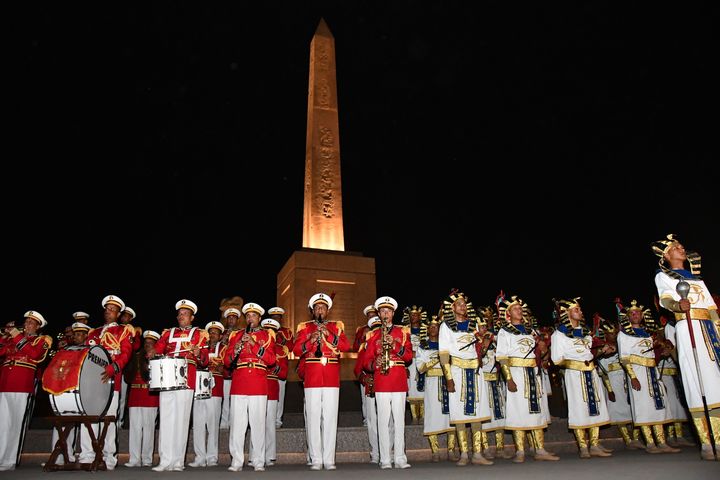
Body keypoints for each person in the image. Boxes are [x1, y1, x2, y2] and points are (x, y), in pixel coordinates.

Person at [652, 234, 720, 461]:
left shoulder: (697, 279)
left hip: (709, 332)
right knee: (696, 382)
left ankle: (719, 438)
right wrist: (677, 305)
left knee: (714, 383)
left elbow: (711, 308)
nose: (681, 248)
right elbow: (665, 300)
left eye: (681, 246)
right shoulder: (663, 276)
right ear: (666, 256)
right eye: (675, 247)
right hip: (687, 326)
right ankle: (706, 443)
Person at [495, 296, 558, 463]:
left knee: (536, 410)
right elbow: (501, 357)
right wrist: (508, 378)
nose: (519, 310)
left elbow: (539, 354)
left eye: (520, 308)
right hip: (516, 373)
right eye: (515, 308)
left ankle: (540, 449)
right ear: (508, 313)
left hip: (532, 373)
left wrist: (542, 349)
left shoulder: (531, 331)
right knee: (518, 411)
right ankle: (520, 451)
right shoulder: (504, 331)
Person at [293, 292, 350, 470]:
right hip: (312, 377)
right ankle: (316, 459)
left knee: (330, 418)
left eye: (323, 308)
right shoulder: (305, 327)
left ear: (328, 311)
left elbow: (346, 346)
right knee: (313, 418)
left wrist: (329, 335)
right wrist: (310, 340)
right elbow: (296, 350)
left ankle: (329, 459)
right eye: (317, 308)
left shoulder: (336, 326)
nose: (320, 310)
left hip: (331, 376)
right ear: (312, 311)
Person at [550, 297, 612, 458]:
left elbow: (589, 354)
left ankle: (595, 444)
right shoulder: (559, 334)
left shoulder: (586, 333)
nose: (581, 311)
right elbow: (556, 359)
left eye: (580, 309)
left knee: (595, 406)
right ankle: (583, 447)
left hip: (591, 373)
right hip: (574, 375)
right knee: (579, 407)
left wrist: (601, 351)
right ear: (567, 312)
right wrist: (577, 363)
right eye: (577, 309)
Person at [151, 299, 209, 472]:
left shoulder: (200, 334)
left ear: (192, 317)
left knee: (182, 420)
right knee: (166, 419)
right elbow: (158, 348)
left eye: (184, 314)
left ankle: (177, 461)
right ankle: (164, 460)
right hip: (167, 376)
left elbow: (204, 359)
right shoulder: (168, 333)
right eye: (179, 314)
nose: (181, 316)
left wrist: (199, 352)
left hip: (186, 377)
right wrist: (153, 352)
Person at [78, 295, 134, 470]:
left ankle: (109, 457)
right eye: (107, 309)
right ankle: (87, 455)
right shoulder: (93, 333)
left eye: (113, 310)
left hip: (111, 381)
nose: (109, 312)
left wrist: (114, 367)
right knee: (89, 418)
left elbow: (126, 354)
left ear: (118, 313)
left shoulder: (123, 331)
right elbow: (85, 355)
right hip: (91, 383)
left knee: (109, 420)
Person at [617, 300, 680, 454]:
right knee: (643, 407)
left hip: (653, 373)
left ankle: (662, 442)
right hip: (638, 373)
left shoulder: (648, 333)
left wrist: (661, 356)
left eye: (638, 312)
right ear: (628, 317)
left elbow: (651, 355)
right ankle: (650, 443)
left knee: (658, 406)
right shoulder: (623, 334)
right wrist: (633, 377)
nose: (635, 315)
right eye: (632, 313)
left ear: (643, 315)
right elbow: (624, 358)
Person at [438, 290, 493, 466]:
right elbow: (444, 354)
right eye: (459, 304)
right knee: (459, 412)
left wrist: (484, 346)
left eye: (464, 304)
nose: (463, 306)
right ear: (452, 308)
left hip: (475, 372)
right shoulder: (446, 326)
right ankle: (463, 454)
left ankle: (477, 453)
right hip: (456, 372)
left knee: (477, 412)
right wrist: (448, 378)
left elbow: (479, 353)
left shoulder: (474, 325)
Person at [223, 302, 275, 472]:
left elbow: (271, 359)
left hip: (258, 383)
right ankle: (236, 461)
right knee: (237, 424)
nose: (250, 318)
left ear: (259, 318)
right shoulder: (236, 336)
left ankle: (259, 461)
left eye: (254, 315)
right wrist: (236, 349)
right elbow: (227, 361)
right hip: (239, 383)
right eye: (248, 316)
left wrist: (254, 344)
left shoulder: (267, 335)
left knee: (258, 424)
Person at [363, 296, 413, 469]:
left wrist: (395, 346)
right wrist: (373, 364)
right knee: (382, 420)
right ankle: (384, 458)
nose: (385, 314)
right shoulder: (372, 334)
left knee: (399, 420)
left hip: (398, 378)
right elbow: (365, 361)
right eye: (382, 311)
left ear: (393, 313)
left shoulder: (403, 332)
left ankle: (400, 457)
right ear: (379, 314)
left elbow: (408, 357)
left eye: (388, 311)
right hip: (381, 378)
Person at [0, 311, 52, 471]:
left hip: (21, 385)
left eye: (31, 322)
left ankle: (8, 460)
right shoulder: (15, 338)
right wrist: (4, 336)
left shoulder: (42, 340)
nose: (27, 324)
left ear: (38, 326)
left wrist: (15, 335)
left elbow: (35, 354)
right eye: (26, 321)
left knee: (14, 424)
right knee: (2, 423)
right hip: (4, 383)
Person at [593, 316, 643, 449]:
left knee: (634, 410)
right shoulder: (603, 349)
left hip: (626, 380)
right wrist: (609, 389)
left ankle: (636, 438)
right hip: (613, 382)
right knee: (620, 412)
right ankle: (628, 440)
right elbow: (603, 372)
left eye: (615, 333)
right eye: (611, 333)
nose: (613, 336)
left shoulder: (622, 345)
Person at [49, 320, 90, 465]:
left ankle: (72, 455)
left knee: (79, 424)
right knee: (61, 423)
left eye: (80, 334)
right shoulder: (66, 350)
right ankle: (59, 456)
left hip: (80, 391)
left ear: (86, 336)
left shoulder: (88, 351)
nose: (76, 337)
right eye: (75, 334)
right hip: (63, 389)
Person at [415, 314, 453, 462]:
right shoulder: (423, 346)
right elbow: (421, 367)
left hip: (446, 381)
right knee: (432, 416)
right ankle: (435, 451)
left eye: (436, 326)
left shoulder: (446, 345)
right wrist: (436, 359)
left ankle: (451, 450)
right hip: (431, 383)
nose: (433, 328)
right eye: (430, 326)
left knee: (450, 415)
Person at [189, 321, 226, 468]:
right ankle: (199, 457)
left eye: (215, 333)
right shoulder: (201, 347)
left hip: (215, 389)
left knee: (212, 424)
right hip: (198, 386)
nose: (212, 336)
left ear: (220, 335)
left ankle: (212, 457)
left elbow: (226, 367)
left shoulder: (223, 348)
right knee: (198, 423)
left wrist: (219, 366)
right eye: (210, 333)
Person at [124, 330, 160, 468]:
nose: (148, 345)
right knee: (134, 428)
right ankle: (134, 458)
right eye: (146, 343)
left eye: (151, 343)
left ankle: (146, 458)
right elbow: (127, 375)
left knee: (149, 428)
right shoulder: (136, 356)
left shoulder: (158, 358)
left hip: (149, 396)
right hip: (135, 394)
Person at [659, 317, 694, 447]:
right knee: (672, 405)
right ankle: (671, 435)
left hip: (674, 371)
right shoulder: (668, 329)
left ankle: (678, 436)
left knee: (678, 406)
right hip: (666, 374)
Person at [354, 316, 382, 463]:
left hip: (388, 384)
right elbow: (358, 368)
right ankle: (376, 453)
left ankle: (388, 451)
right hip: (371, 385)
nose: (377, 331)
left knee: (388, 420)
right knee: (372, 421)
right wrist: (364, 378)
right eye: (375, 328)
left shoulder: (389, 340)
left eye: (379, 327)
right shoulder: (364, 346)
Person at [261, 317, 286, 466]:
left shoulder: (281, 350)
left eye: (273, 331)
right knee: (256, 423)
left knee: (269, 423)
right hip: (256, 387)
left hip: (271, 387)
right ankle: (255, 454)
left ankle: (269, 455)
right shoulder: (258, 344)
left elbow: (283, 373)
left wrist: (272, 366)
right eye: (267, 331)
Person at [268, 306, 293, 429]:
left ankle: (278, 420)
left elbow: (292, 347)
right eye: (274, 317)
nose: (276, 320)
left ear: (281, 319)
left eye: (278, 318)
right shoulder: (265, 331)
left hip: (281, 365)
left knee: (280, 395)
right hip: (267, 370)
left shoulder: (286, 331)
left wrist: (283, 341)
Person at [354, 304, 377, 427]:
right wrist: (363, 337)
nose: (371, 318)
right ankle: (367, 419)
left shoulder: (383, 328)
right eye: (369, 316)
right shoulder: (361, 330)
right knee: (366, 396)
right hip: (365, 366)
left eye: (374, 315)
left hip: (379, 368)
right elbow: (355, 348)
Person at [402, 305, 426, 424]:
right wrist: (405, 366)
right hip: (410, 363)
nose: (414, 317)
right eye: (412, 315)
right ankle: (415, 417)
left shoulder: (426, 329)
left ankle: (422, 417)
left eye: (416, 315)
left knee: (423, 389)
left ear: (420, 316)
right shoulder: (405, 330)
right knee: (411, 389)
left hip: (422, 362)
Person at [117, 306, 140, 428]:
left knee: (122, 396)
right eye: (123, 315)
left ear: (130, 319)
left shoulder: (133, 331)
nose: (125, 318)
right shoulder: (113, 328)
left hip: (124, 367)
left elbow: (136, 347)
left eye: (127, 316)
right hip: (112, 365)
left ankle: (119, 421)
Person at [219, 306, 241, 430]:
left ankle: (234, 423)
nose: (231, 320)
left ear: (237, 320)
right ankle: (224, 422)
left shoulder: (241, 332)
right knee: (225, 396)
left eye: (234, 318)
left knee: (236, 399)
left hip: (237, 369)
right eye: (229, 318)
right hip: (225, 369)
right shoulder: (222, 333)